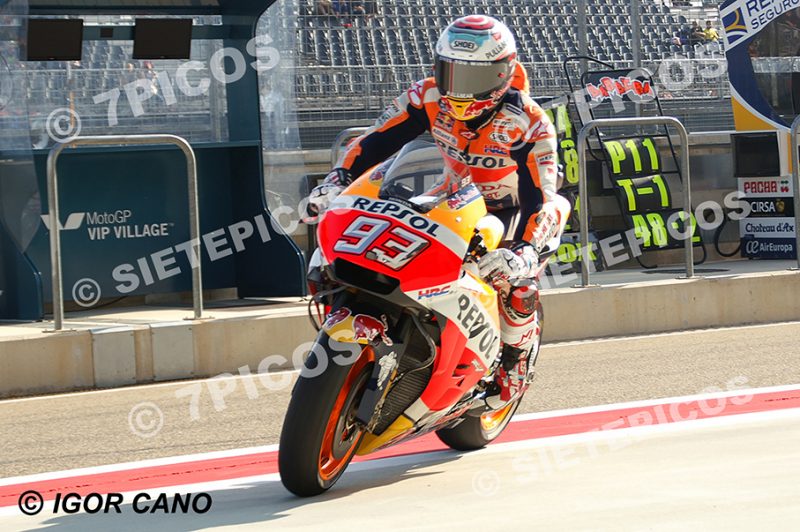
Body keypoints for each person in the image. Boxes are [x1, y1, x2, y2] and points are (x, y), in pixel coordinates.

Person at [306, 15, 570, 409]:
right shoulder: (426, 95)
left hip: (513, 211)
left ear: (503, 73)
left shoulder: (530, 122)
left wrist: (526, 249)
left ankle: (514, 364)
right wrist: (338, 178)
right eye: (452, 73)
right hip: (453, 197)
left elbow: (543, 196)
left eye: (475, 77)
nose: (460, 89)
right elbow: (375, 142)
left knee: (514, 283)